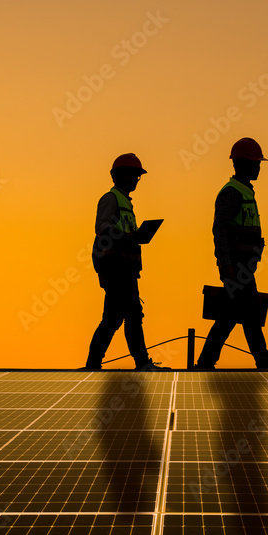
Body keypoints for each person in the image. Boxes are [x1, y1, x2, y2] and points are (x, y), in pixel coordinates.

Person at [196, 138, 268, 370]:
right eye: (256, 163)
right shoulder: (232, 193)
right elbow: (220, 229)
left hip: (244, 266)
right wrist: (227, 265)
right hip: (236, 267)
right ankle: (262, 360)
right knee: (247, 314)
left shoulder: (244, 192)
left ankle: (206, 362)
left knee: (232, 316)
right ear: (244, 164)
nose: (259, 167)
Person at [85, 153, 165, 371]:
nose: (134, 180)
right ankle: (141, 363)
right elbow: (101, 227)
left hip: (125, 270)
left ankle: (94, 364)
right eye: (132, 175)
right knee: (129, 316)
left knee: (115, 318)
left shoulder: (126, 204)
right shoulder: (111, 199)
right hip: (115, 269)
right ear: (119, 176)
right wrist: (126, 237)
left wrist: (134, 237)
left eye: (136, 176)